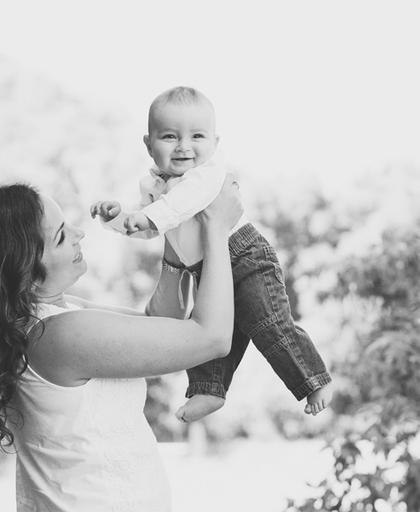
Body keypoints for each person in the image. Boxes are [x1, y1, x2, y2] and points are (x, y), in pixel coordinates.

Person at [0, 180, 243, 512]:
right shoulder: (58, 336)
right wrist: (216, 228)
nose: (79, 234)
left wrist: (172, 224)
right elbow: (210, 338)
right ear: (22, 272)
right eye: (61, 236)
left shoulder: (49, 319)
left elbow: (160, 324)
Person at [90, 86, 332, 423]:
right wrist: (119, 215)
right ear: (149, 144)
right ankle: (209, 389)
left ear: (215, 144)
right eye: (170, 137)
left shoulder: (206, 175)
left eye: (197, 136)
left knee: (267, 324)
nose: (184, 146)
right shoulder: (153, 186)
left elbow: (181, 204)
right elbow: (150, 226)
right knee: (207, 331)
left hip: (244, 256)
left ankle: (313, 379)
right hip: (206, 269)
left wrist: (149, 216)